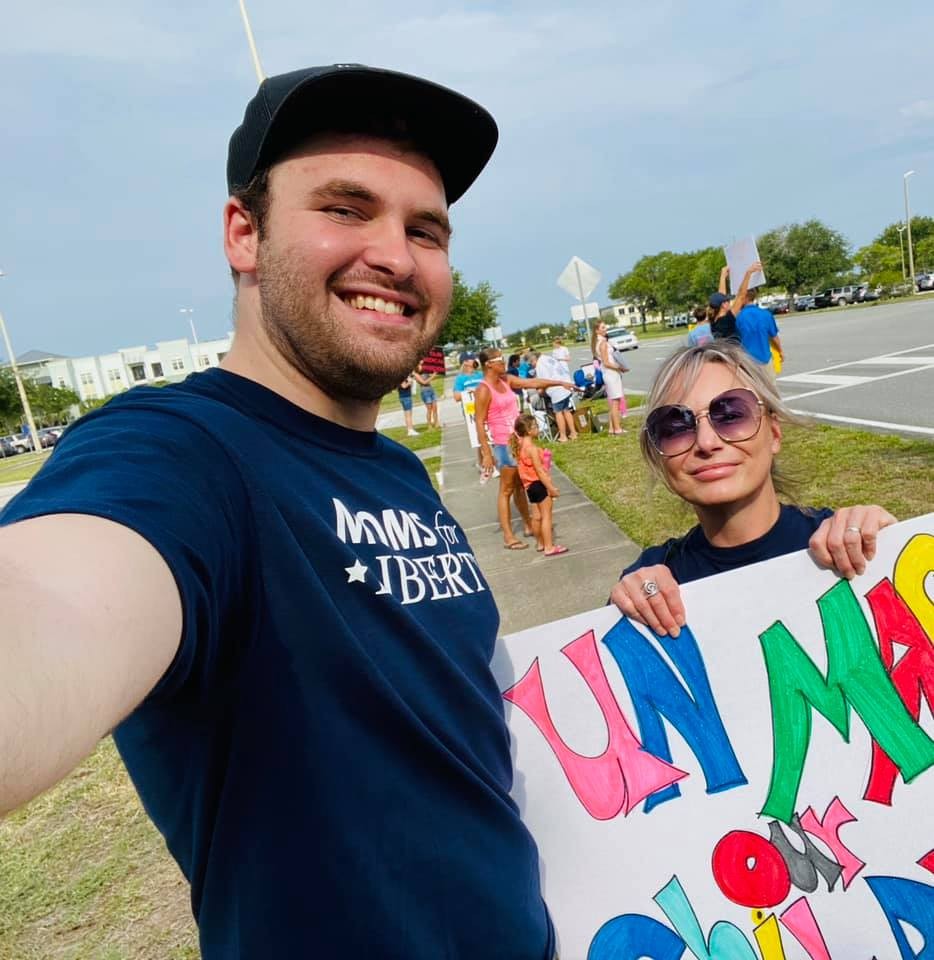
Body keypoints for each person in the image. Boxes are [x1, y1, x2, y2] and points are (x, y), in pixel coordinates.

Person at [0, 65, 556, 959]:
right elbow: (56, 604)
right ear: (244, 234)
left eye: (425, 229)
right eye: (345, 209)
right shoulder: (184, 454)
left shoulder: (396, 473)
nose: (397, 256)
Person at [609, 341, 896, 638]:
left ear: (774, 433)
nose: (706, 443)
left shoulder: (843, 542)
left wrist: (890, 546)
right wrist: (628, 609)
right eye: (675, 427)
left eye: (731, 415)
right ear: (659, 455)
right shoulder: (653, 578)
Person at [474, 346, 574, 550]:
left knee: (521, 486)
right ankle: (508, 536)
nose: (504, 362)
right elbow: (479, 421)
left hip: (520, 442)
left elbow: (533, 383)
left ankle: (528, 524)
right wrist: (487, 453)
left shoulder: (506, 380)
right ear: (488, 365)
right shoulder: (483, 389)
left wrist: (559, 383)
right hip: (504, 444)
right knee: (506, 489)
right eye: (500, 360)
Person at [512, 414, 567, 556]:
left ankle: (540, 543)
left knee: (536, 517)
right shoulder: (532, 449)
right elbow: (540, 472)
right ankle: (549, 546)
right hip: (539, 485)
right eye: (535, 426)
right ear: (528, 431)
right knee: (547, 516)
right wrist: (551, 488)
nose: (538, 429)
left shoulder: (520, 447)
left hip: (530, 487)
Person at [736, 285, 784, 371]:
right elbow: (774, 337)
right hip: (765, 359)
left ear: (745, 297)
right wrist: (780, 351)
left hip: (747, 361)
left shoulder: (738, 317)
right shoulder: (766, 314)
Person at [710, 262, 761, 342]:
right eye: (727, 301)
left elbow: (721, 296)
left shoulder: (714, 320)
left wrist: (723, 276)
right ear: (723, 305)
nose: (730, 302)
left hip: (722, 349)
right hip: (732, 349)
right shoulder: (727, 320)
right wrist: (748, 273)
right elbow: (741, 296)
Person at [592, 320, 626, 435]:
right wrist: (619, 367)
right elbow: (606, 362)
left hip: (611, 373)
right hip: (610, 374)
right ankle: (617, 428)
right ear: (597, 330)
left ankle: (612, 428)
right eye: (602, 328)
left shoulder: (602, 341)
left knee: (614, 402)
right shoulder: (602, 343)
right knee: (615, 402)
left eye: (605, 327)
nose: (605, 329)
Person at [536, 349, 577, 442]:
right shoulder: (549, 359)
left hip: (557, 391)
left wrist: (541, 391)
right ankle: (573, 433)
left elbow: (544, 381)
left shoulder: (540, 364)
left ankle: (563, 436)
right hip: (565, 387)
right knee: (566, 410)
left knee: (558, 413)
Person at [412, 358, 439, 427]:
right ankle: (429, 425)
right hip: (425, 392)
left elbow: (431, 374)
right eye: (420, 365)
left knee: (435, 408)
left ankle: (436, 423)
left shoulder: (425, 372)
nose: (422, 366)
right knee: (429, 409)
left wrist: (434, 371)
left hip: (431, 390)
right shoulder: (416, 375)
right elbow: (424, 382)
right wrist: (433, 375)